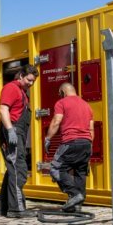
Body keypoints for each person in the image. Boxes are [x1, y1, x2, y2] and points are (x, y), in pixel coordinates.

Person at [44, 82, 94, 212]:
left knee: (55, 168)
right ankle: (77, 205)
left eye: (59, 94)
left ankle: (74, 194)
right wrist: (89, 144)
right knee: (80, 172)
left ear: (62, 92)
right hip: (87, 143)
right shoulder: (87, 105)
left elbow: (56, 121)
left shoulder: (62, 103)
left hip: (70, 142)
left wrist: (48, 138)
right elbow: (91, 129)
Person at [0, 65, 38, 218]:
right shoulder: (11, 88)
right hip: (12, 131)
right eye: (29, 80)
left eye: (33, 81)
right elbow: (3, 109)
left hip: (17, 133)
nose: (31, 84)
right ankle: (16, 209)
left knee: (13, 170)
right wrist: (9, 130)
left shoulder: (22, 92)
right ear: (21, 75)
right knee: (18, 169)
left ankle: (5, 207)